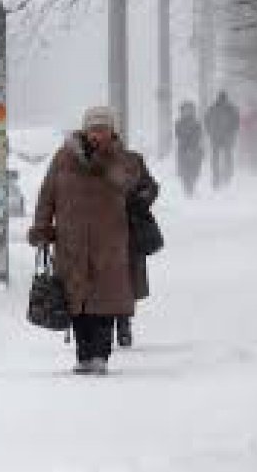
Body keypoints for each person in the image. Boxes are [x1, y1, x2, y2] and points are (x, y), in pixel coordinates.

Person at [29, 106, 139, 375]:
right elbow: (47, 194)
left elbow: (128, 183)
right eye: (93, 129)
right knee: (76, 301)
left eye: (103, 129)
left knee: (104, 301)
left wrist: (107, 157)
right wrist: (42, 227)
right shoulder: (64, 157)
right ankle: (83, 354)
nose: (97, 134)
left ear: (112, 131)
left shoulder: (122, 158)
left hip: (108, 243)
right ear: (84, 130)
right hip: (71, 242)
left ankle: (100, 354)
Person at [117, 151, 160, 348]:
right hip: (96, 230)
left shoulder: (131, 159)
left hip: (129, 227)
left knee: (126, 277)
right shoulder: (84, 160)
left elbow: (150, 186)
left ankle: (123, 323)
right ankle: (103, 325)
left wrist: (141, 199)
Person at [204, 91, 240, 189]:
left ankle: (221, 176)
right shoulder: (230, 109)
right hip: (221, 137)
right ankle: (221, 176)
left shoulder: (213, 108)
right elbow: (237, 122)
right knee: (224, 157)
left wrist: (210, 132)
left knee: (221, 157)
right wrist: (233, 132)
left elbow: (206, 121)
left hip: (219, 137)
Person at [174, 101, 204, 197]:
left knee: (195, 169)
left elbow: (199, 135)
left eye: (189, 109)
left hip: (194, 148)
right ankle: (188, 187)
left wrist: (193, 143)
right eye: (185, 110)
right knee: (184, 169)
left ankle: (191, 185)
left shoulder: (196, 123)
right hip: (183, 148)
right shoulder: (179, 123)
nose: (187, 112)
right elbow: (178, 134)